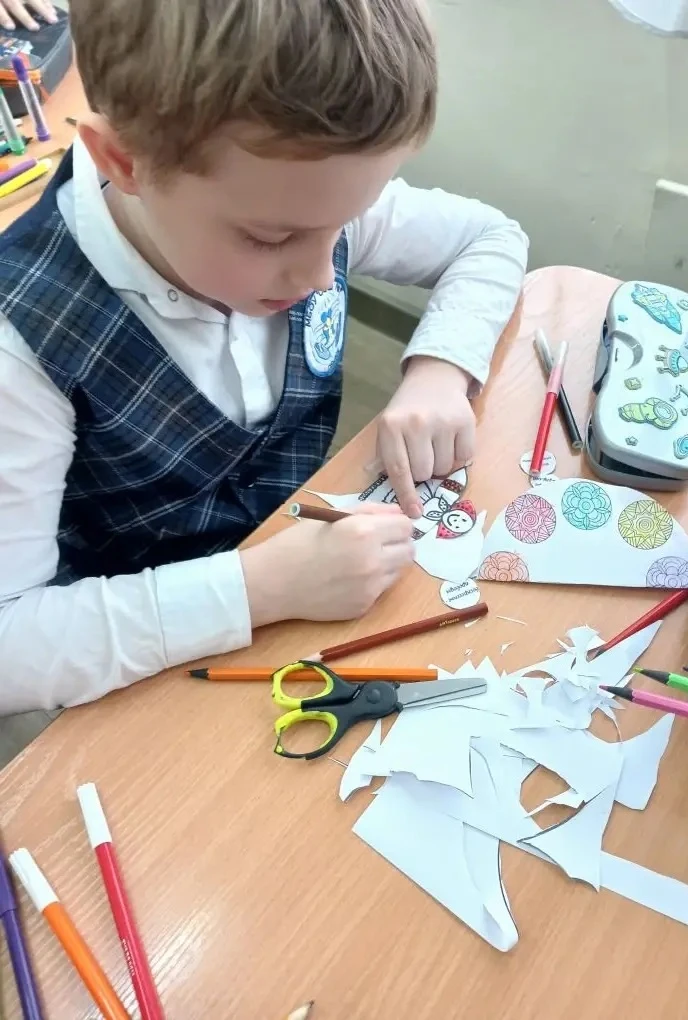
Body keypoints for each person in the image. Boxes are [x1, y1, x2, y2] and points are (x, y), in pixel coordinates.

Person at [0, 0, 528, 713]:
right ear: (124, 162)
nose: (320, 274)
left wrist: (438, 371)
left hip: (309, 581)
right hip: (142, 671)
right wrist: (261, 588)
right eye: (271, 240)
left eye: (346, 223)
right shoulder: (21, 348)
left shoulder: (300, 192)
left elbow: (490, 238)